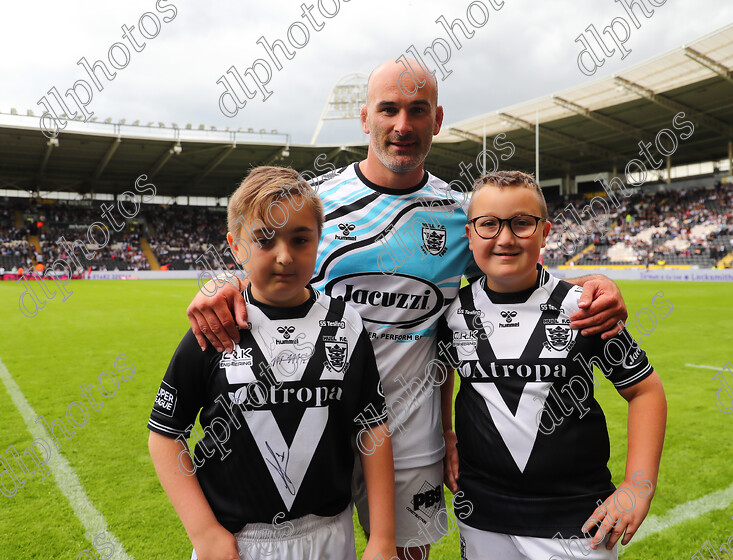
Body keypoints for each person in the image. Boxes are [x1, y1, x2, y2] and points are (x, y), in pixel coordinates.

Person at [186, 59, 630, 560]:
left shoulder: (459, 215)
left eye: (417, 111)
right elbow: (269, 257)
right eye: (388, 110)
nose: (402, 125)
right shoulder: (316, 204)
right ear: (364, 118)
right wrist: (224, 282)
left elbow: (517, 276)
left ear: (436, 120)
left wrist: (596, 282)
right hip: (311, 426)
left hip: (406, 436)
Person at [149, 167, 396, 560]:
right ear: (235, 246)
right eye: (265, 239)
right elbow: (165, 434)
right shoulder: (215, 325)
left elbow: (372, 428)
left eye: (300, 239)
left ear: (319, 241)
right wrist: (205, 532)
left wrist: (383, 538)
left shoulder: (346, 323)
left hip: (329, 536)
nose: (285, 256)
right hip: (238, 543)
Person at [438, 171, 666, 559]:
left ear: (545, 232)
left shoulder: (585, 308)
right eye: (488, 224)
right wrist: (446, 431)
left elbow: (645, 390)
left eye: (522, 224)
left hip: (577, 521)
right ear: (470, 235)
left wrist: (637, 483)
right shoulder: (452, 313)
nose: (505, 238)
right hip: (482, 514)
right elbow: (440, 377)